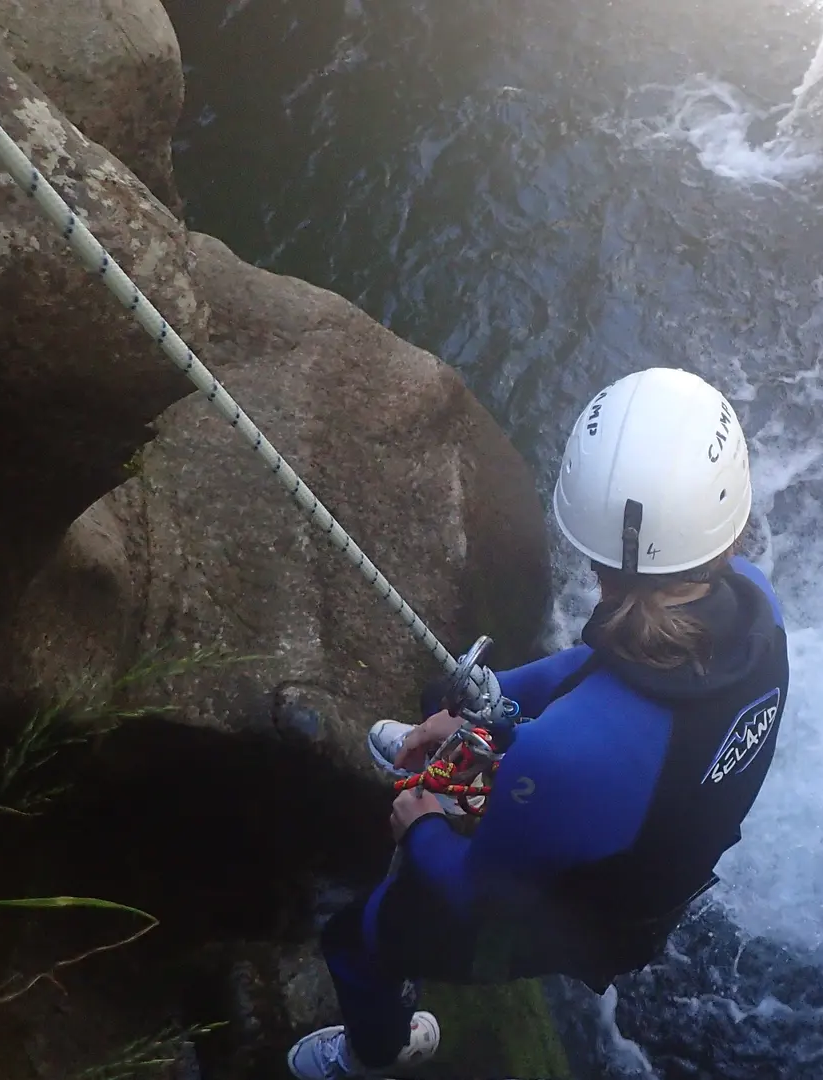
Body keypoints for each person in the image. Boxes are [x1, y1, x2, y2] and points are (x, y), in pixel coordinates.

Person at [288, 368, 791, 1079]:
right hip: (651, 855)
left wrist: (422, 820)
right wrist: (475, 709)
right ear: (724, 528)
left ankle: (376, 1052)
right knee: (445, 695)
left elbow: (471, 890)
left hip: (579, 914)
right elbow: (598, 670)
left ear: (592, 552)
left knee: (357, 938)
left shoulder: (561, 756)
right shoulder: (755, 607)